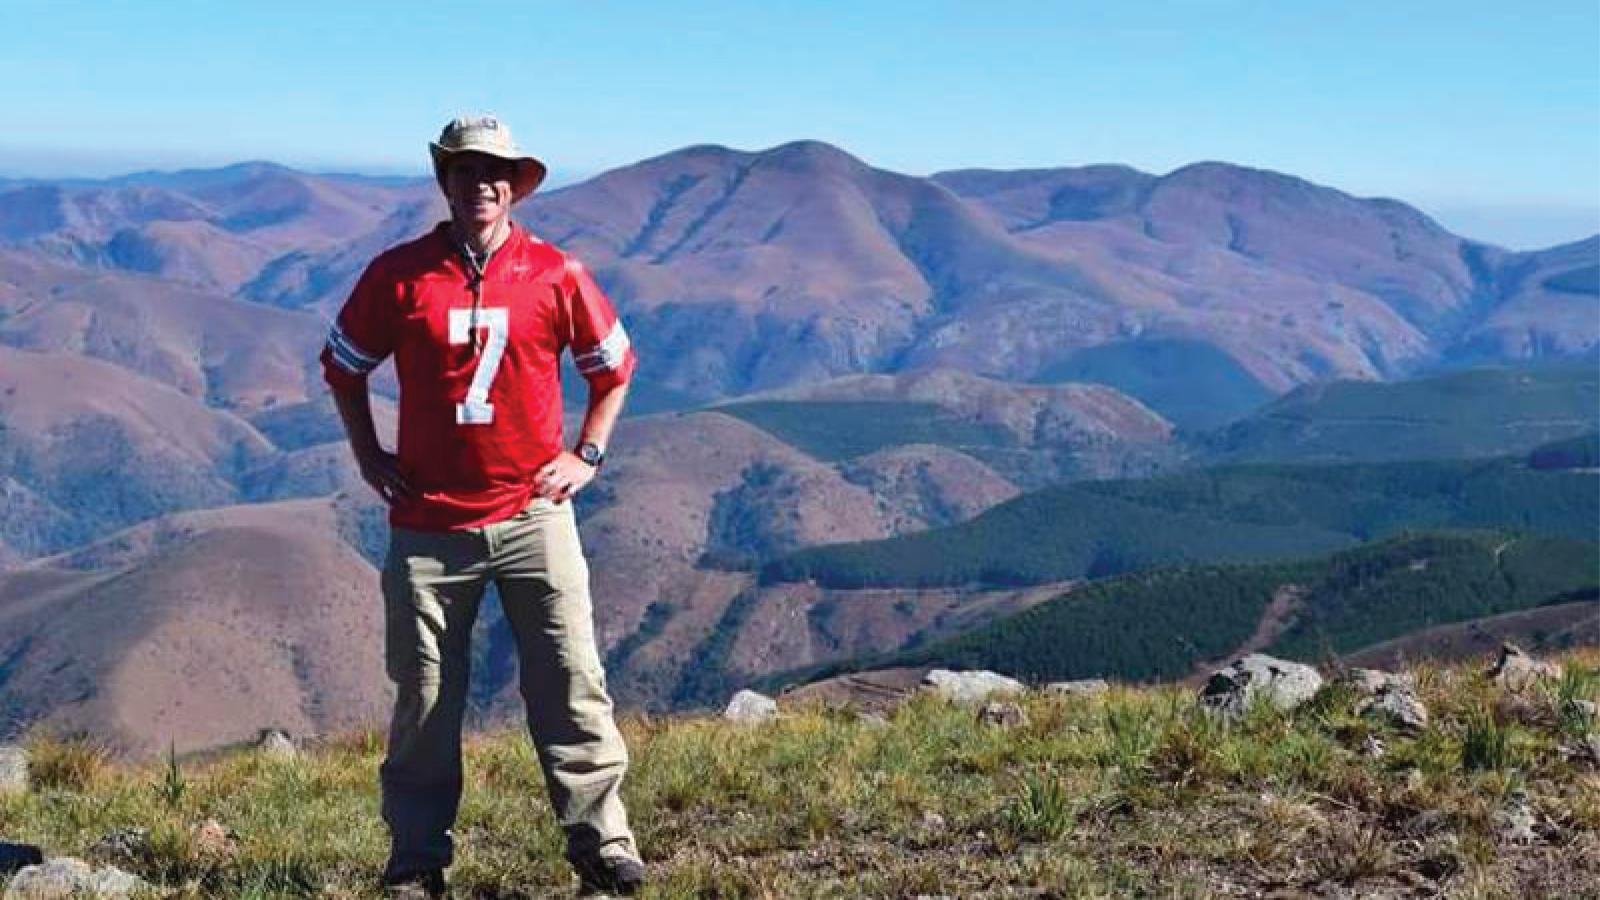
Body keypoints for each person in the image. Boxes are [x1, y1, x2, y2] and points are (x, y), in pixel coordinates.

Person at [320, 113, 645, 899]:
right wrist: (369, 456)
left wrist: (587, 455)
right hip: (430, 524)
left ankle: (604, 844)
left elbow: (615, 366)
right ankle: (417, 861)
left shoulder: (556, 273)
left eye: (497, 172)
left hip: (535, 513)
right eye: (467, 171)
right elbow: (342, 365)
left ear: (516, 185)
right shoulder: (399, 275)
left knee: (572, 678)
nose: (483, 184)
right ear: (447, 181)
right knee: (426, 697)